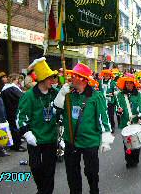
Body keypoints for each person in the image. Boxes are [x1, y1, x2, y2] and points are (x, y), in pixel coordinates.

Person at [54, 63, 114, 194]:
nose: (70, 78)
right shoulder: (68, 94)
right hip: (71, 141)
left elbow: (103, 118)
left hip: (89, 142)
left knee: (91, 172)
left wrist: (105, 139)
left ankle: (94, 190)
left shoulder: (96, 96)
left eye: (73, 76)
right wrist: (61, 94)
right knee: (72, 173)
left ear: (82, 79)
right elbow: (57, 110)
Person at [16, 57, 59, 194]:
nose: (53, 81)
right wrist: (27, 133)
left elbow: (63, 109)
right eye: (50, 79)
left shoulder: (54, 93)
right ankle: (42, 190)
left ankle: (46, 192)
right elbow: (20, 117)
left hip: (51, 138)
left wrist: (64, 95)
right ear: (42, 79)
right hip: (35, 138)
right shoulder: (29, 96)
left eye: (53, 78)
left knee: (50, 170)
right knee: (35, 167)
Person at [115, 73, 141, 168]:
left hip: (136, 122)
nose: (128, 85)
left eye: (130, 83)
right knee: (127, 144)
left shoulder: (138, 95)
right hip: (125, 123)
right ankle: (128, 161)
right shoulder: (120, 95)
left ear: (134, 84)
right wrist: (119, 111)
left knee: (135, 143)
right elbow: (118, 108)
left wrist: (140, 117)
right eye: (127, 83)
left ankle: (135, 160)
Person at [1, 73, 25, 152]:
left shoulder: (5, 88)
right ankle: (16, 145)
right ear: (15, 79)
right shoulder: (12, 88)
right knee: (14, 128)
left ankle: (13, 144)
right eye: (17, 79)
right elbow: (21, 97)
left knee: (12, 128)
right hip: (13, 111)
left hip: (8, 111)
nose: (18, 81)